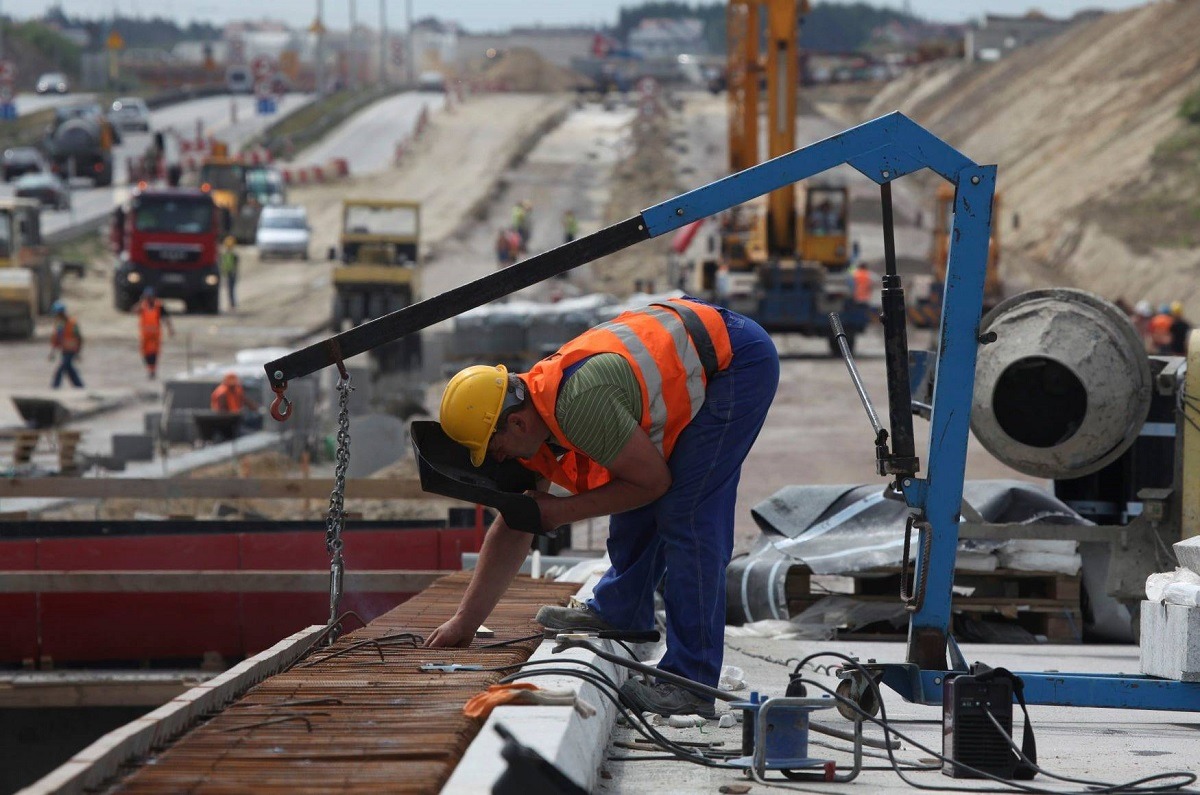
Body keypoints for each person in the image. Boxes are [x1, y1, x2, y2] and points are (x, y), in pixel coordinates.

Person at [427, 297, 780, 717]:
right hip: (698, 348)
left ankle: (692, 681)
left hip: (735, 361)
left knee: (686, 512)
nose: (498, 460)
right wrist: (464, 622)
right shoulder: (530, 415)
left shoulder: (579, 404)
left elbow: (653, 482)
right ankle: (621, 610)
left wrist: (560, 511)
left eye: (494, 448)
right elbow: (517, 521)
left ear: (516, 422)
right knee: (627, 481)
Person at [136, 287, 173, 380]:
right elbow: (134, 310)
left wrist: (170, 329)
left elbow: (166, 318)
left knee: (154, 352)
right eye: (147, 297)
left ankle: (152, 370)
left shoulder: (159, 306)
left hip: (155, 334)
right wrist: (140, 302)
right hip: (145, 334)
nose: (149, 299)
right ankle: (150, 369)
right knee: (145, 352)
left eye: (150, 297)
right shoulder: (142, 306)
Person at [49, 301, 84, 389]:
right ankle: (79, 386)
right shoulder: (59, 325)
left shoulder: (72, 323)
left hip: (71, 350)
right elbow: (57, 340)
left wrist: (78, 351)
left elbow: (79, 338)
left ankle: (55, 386)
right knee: (69, 369)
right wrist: (52, 352)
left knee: (61, 368)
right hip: (65, 350)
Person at [219, 236, 239, 310]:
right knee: (230, 290)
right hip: (228, 274)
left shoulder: (232, 255)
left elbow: (234, 265)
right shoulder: (227, 255)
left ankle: (232, 304)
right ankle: (232, 304)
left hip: (231, 274)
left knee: (230, 290)